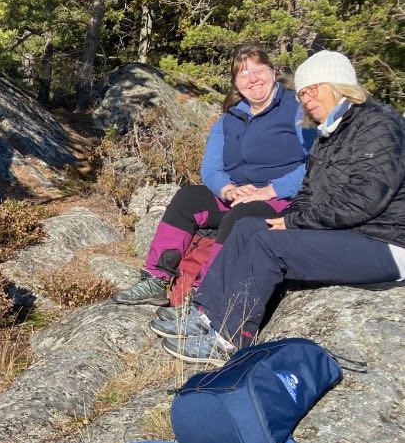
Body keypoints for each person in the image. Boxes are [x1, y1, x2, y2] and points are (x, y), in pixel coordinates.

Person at [155, 50, 405, 365]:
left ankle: (228, 339)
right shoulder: (328, 134)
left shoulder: (378, 123)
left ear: (340, 84)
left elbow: (366, 199)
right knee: (248, 227)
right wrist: (287, 217)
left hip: (385, 242)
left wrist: (298, 221)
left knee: (268, 246)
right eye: (302, 91)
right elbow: (309, 189)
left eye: (315, 87)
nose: (307, 97)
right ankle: (207, 315)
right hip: (347, 232)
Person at [113, 45, 312, 307]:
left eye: (259, 70)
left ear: (273, 72)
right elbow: (210, 169)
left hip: (280, 199)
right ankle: (157, 279)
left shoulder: (298, 111)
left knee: (241, 217)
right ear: (236, 84)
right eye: (243, 74)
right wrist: (227, 189)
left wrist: (270, 190)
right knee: (187, 198)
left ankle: (203, 296)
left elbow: (315, 163)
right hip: (237, 194)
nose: (252, 79)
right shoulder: (229, 119)